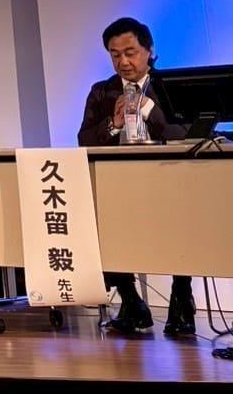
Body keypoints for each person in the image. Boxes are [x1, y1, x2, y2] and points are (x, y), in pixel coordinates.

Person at [77, 17, 194, 337]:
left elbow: (186, 135)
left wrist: (149, 110)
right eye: (115, 55)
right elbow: (84, 140)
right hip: (118, 182)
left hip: (168, 180)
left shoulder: (170, 87)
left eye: (130, 53)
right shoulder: (102, 92)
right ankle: (131, 301)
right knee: (98, 218)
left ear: (149, 51)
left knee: (183, 220)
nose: (123, 62)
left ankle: (182, 297)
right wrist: (112, 125)